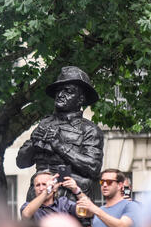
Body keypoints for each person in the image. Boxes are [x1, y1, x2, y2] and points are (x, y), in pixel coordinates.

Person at [17, 66, 104, 202]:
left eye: (68, 91)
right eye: (58, 91)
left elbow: (93, 167)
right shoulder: (44, 124)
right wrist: (34, 144)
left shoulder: (89, 130)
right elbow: (21, 162)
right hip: (39, 197)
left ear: (80, 99)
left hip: (72, 199)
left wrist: (59, 145)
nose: (61, 94)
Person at [78, 169, 142, 227]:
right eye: (102, 182)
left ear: (120, 185)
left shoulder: (131, 206)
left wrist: (95, 209)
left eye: (109, 182)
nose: (104, 185)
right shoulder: (100, 211)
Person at [20, 170, 86, 222]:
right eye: (38, 185)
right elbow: (26, 214)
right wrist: (46, 191)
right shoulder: (28, 206)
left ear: (54, 187)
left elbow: (85, 211)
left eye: (44, 184)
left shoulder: (64, 203)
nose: (41, 188)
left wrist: (77, 190)